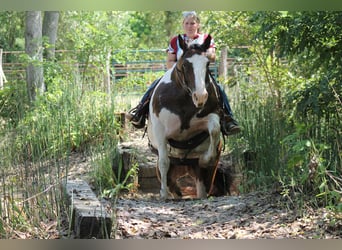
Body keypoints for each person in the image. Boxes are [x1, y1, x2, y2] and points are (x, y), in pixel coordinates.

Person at [126, 11, 240, 136]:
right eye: (187, 23)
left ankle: (229, 119)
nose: (190, 26)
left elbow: (212, 56)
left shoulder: (205, 39)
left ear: (198, 25)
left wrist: (198, 56)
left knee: (219, 88)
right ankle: (139, 113)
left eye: (193, 23)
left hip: (200, 73)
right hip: (178, 73)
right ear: (183, 25)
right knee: (155, 84)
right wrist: (182, 68)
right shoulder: (176, 41)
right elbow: (169, 61)